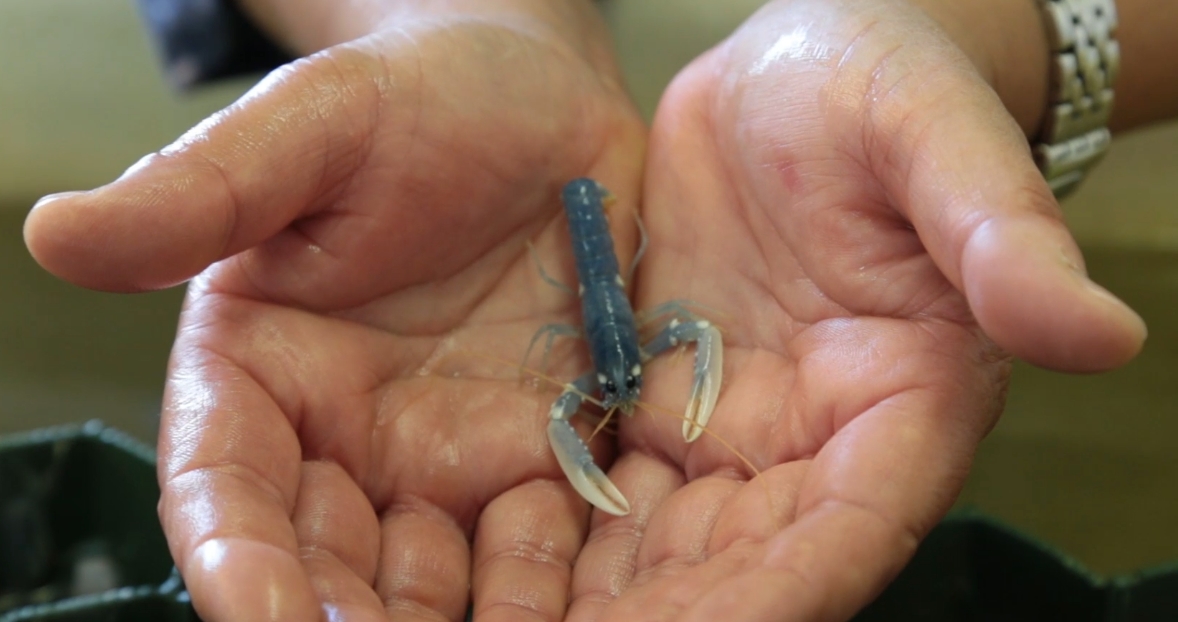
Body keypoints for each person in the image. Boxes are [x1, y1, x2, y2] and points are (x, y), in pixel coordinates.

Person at [22, 0, 1176, 620]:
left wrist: (983, 25)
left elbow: (663, 346)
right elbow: (574, 385)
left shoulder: (634, 360)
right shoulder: (588, 383)